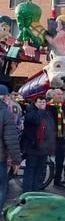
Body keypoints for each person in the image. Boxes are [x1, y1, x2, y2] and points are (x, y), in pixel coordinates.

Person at [21, 97, 55, 193]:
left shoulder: (46, 112)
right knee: (30, 171)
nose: (42, 104)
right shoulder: (30, 110)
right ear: (35, 102)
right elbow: (35, 120)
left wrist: (50, 145)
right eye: (39, 102)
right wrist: (41, 110)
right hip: (32, 147)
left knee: (39, 172)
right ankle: (27, 192)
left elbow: (51, 128)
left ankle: (35, 191)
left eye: (43, 102)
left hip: (43, 147)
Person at [0, 85, 21, 213]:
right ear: (5, 97)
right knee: (2, 187)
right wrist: (16, 161)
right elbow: (11, 139)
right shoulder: (5, 113)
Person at [46, 88, 65, 189]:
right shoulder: (48, 107)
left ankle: (57, 180)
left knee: (60, 161)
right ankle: (39, 180)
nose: (60, 96)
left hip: (61, 138)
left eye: (61, 94)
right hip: (49, 138)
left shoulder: (64, 107)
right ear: (53, 96)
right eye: (58, 94)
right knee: (44, 160)